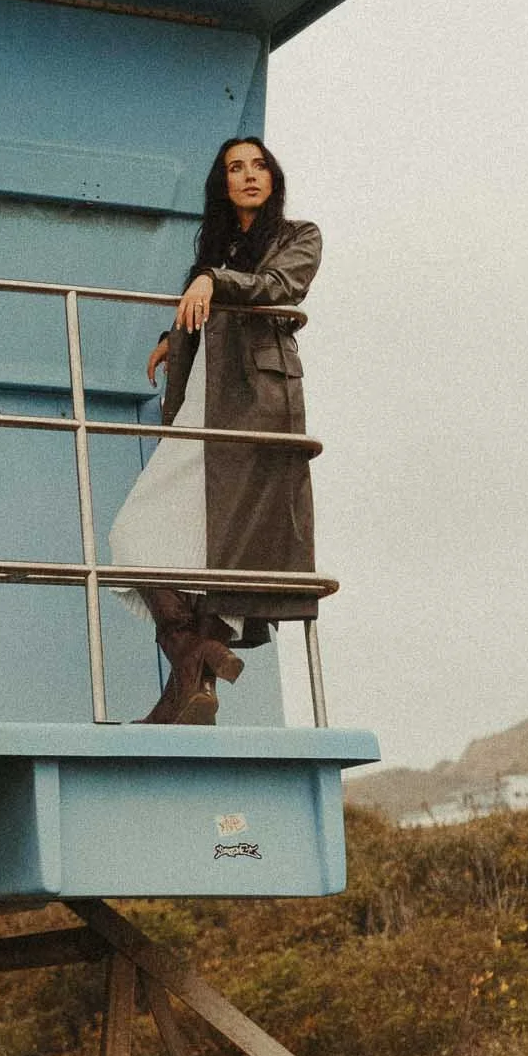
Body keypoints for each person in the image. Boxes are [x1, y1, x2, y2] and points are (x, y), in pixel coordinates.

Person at [109, 137, 320, 725]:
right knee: (135, 536)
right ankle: (194, 653)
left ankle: (184, 692)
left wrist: (211, 280)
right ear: (223, 185)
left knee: (217, 553)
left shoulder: (299, 235)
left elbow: (280, 288)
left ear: (273, 176)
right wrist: (172, 336)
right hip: (203, 402)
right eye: (235, 168)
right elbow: (212, 301)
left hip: (254, 407)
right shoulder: (219, 248)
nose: (249, 175)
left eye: (258, 165)